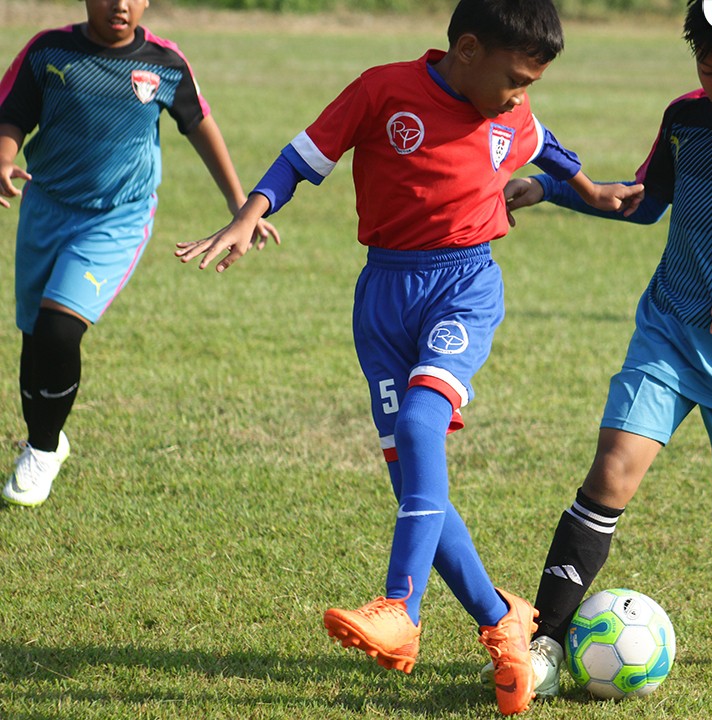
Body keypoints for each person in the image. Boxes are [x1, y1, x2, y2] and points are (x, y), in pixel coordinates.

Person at [175, 0, 642, 714]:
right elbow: (303, 159)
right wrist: (250, 212)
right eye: (515, 77)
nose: (521, 96)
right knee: (413, 483)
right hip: (384, 298)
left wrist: (586, 190)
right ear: (466, 49)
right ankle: (503, 620)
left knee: (423, 430)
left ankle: (401, 608)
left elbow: (545, 145)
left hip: (464, 286)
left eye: (531, 84)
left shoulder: (507, 112)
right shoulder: (383, 90)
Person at [485, 1, 712, 698]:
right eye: (709, 70)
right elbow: (646, 201)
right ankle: (545, 646)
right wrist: (554, 189)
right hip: (672, 329)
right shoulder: (687, 117)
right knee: (611, 473)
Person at [0, 0, 278, 508]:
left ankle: (41, 451)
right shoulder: (48, 51)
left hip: (116, 218)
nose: (119, 4)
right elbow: (11, 115)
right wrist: (4, 156)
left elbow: (201, 125)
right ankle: (44, 437)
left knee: (61, 327)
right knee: (35, 338)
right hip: (45, 208)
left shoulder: (164, 63)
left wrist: (241, 207)